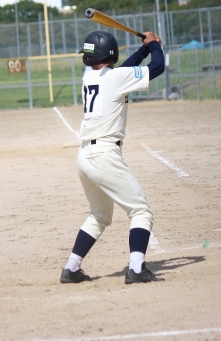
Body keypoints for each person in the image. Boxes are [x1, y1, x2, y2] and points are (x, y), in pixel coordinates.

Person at [60, 30, 165, 284]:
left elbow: (126, 69)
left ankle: (71, 268)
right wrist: (153, 46)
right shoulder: (115, 78)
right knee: (141, 211)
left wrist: (143, 49)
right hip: (105, 155)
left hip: (85, 156)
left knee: (99, 215)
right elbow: (158, 67)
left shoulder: (90, 76)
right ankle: (136, 269)